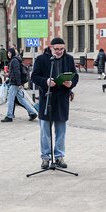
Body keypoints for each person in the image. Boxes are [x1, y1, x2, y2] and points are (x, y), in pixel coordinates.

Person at [31, 37, 79, 169]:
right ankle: (45, 158)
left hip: (62, 99)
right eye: (56, 49)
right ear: (51, 48)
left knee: (61, 131)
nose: (59, 52)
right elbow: (34, 77)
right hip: (47, 100)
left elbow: (75, 76)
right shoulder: (42, 59)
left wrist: (71, 83)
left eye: (61, 49)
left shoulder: (68, 59)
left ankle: (59, 156)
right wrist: (46, 81)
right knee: (45, 132)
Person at [1, 49, 38, 122]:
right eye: (8, 53)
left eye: (10, 53)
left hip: (15, 84)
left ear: (12, 53)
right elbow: (14, 73)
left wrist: (18, 83)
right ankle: (33, 112)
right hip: (15, 83)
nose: (8, 54)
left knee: (10, 100)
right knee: (22, 100)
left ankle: (9, 116)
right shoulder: (14, 60)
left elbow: (17, 73)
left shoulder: (14, 61)